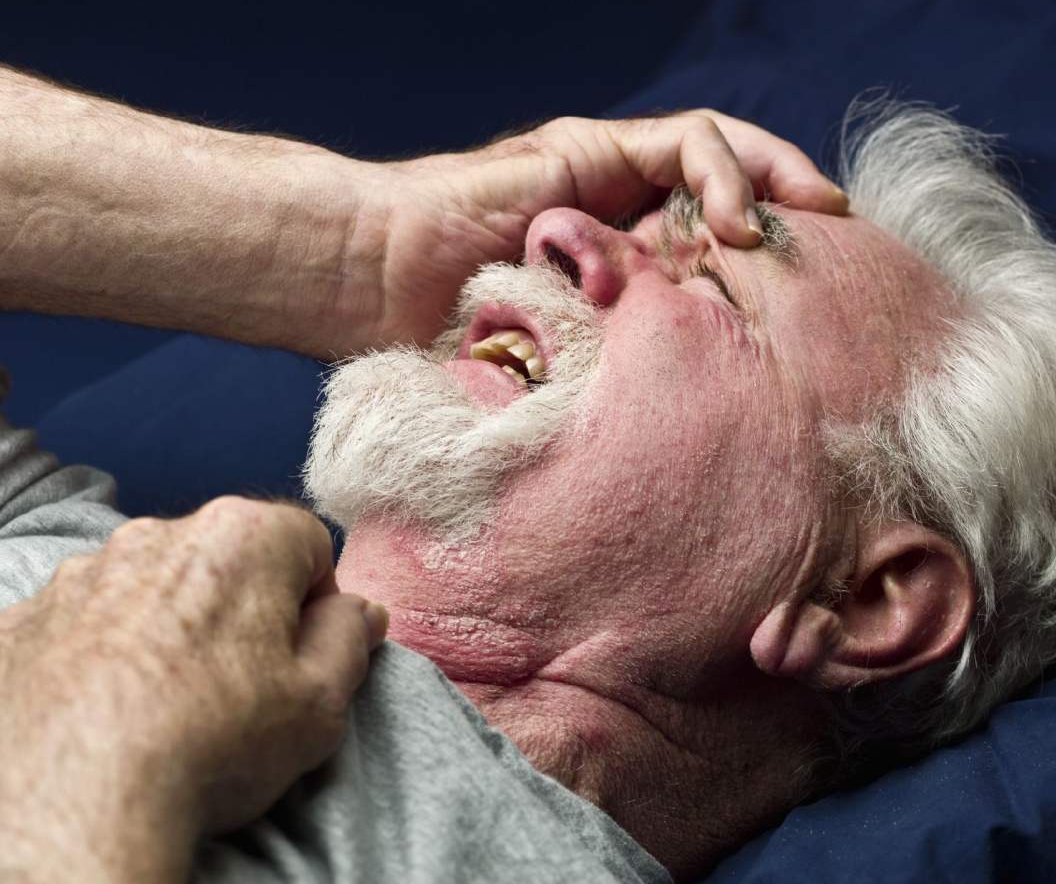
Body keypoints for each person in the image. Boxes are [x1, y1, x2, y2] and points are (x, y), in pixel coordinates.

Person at [0, 64, 846, 883]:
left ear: (873, 599)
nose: (556, 229)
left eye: (714, 288)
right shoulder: (92, 576)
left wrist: (82, 747)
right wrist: (356, 244)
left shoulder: (106, 662)